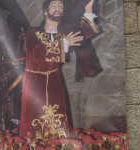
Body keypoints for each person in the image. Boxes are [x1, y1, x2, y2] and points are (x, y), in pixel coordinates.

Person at [18, 0, 98, 140]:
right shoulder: (33, 32)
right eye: (53, 6)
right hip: (34, 84)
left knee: (57, 121)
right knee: (34, 123)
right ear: (45, 12)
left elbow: (86, 32)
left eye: (60, 6)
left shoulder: (64, 35)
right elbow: (37, 54)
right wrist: (64, 43)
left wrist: (88, 8)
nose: (57, 8)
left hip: (54, 81)